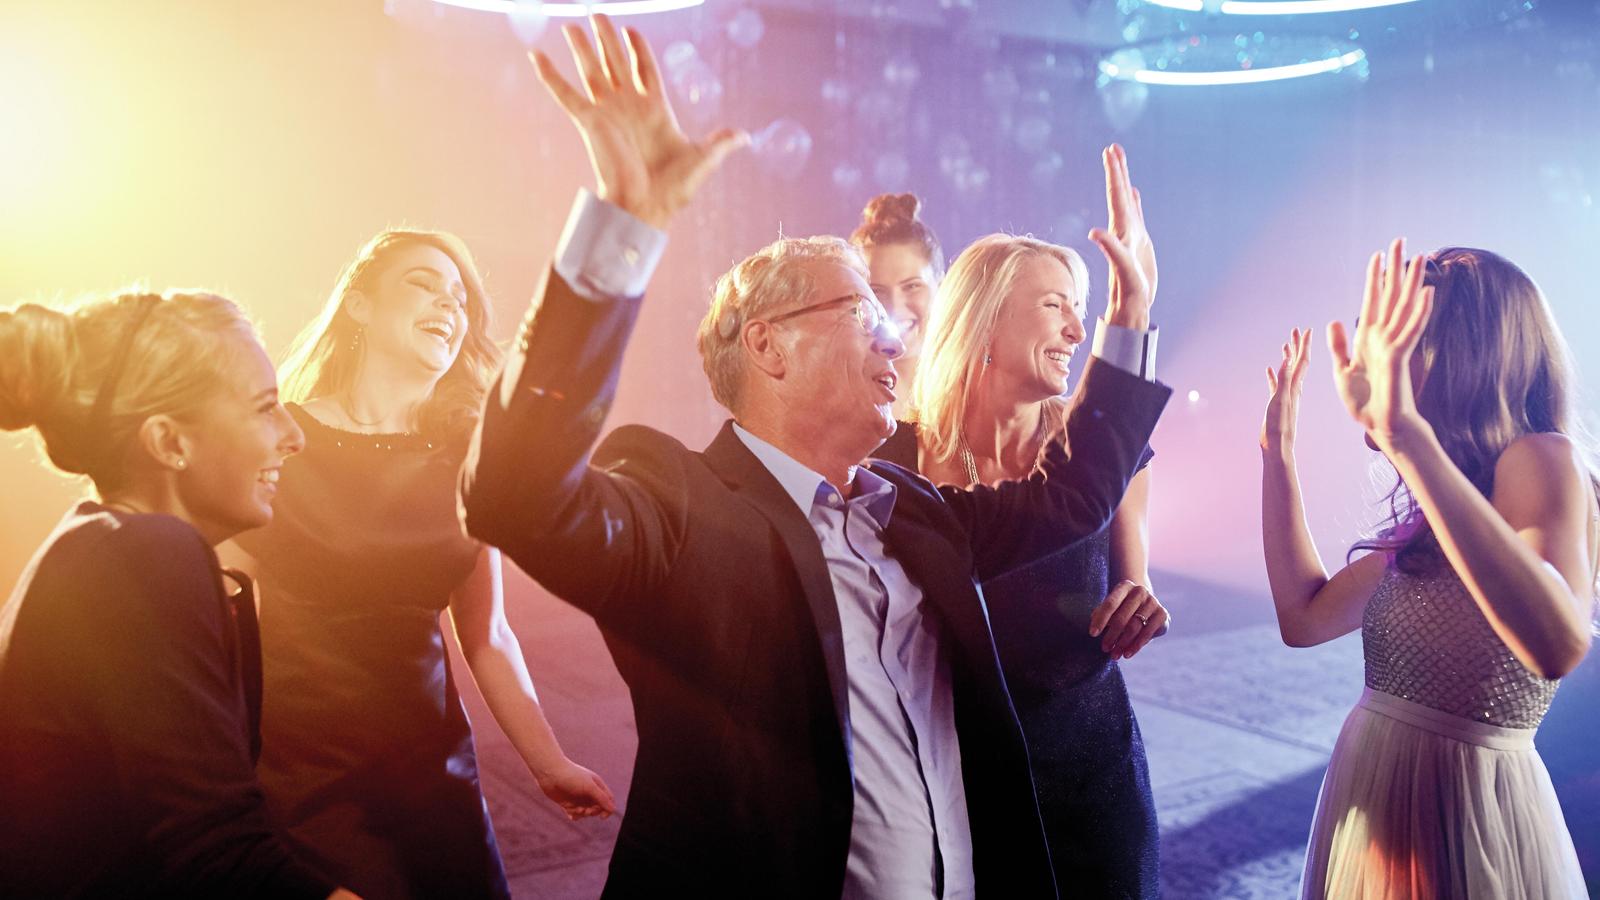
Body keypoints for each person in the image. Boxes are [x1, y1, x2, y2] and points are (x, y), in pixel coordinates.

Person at [460, 15, 1169, 897]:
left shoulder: (914, 513)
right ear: (769, 347)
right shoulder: (679, 502)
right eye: (861, 313)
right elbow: (515, 494)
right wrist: (620, 231)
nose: (897, 339)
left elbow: (1075, 496)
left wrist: (1130, 317)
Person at [216, 227, 616, 899]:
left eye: (459, 298)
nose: (448, 306)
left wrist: (549, 763)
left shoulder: (467, 459)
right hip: (302, 778)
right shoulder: (279, 438)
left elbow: (486, 635)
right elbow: (213, 621)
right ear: (360, 307)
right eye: (422, 284)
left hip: (436, 777)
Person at [1261, 241, 1596, 898]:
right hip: (1377, 796)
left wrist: (1405, 435)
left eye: (1407, 335)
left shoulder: (1541, 458)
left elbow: (1558, 643)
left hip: (1465, 811)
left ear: (1472, 353)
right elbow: (1304, 617)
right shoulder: (1440, 510)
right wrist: (1277, 453)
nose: (1381, 355)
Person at [873, 157, 1168, 895]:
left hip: (1089, 769)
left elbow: (1132, 576)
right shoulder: (894, 460)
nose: (1077, 328)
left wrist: (1137, 598)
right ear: (986, 323)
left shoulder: (1105, 447)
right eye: (1055, 307)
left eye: (1084, 308)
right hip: (952, 777)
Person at [0, 290, 356, 898]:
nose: (294, 435)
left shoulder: (104, 546)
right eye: (265, 407)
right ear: (169, 443)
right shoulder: (146, 555)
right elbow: (223, 860)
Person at [849, 192, 944, 418]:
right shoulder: (848, 400)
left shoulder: (978, 386)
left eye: (912, 286)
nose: (894, 307)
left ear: (941, 285)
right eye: (877, 291)